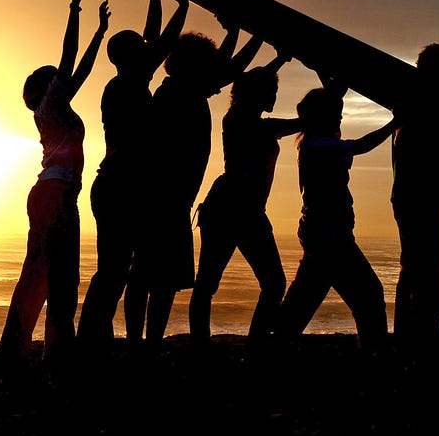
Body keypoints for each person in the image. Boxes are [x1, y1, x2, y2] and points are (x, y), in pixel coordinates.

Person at [125, 20, 261, 341]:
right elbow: (228, 70)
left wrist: (238, 32)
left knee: (156, 279)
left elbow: (223, 69)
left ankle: (144, 346)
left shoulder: (181, 90)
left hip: (169, 200)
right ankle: (140, 345)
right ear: (195, 67)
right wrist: (248, 32)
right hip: (162, 199)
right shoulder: (177, 94)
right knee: (151, 279)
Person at [0, 0, 110, 366]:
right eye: (56, 79)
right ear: (46, 87)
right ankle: (54, 354)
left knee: (41, 272)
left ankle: (17, 349)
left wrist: (99, 32)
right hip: (56, 194)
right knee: (61, 276)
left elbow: (79, 69)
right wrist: (75, 10)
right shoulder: (48, 106)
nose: (63, 81)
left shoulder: (53, 109)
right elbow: (69, 57)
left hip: (52, 192)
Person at [76, 0, 187, 341]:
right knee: (114, 271)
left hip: (115, 186)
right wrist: (181, 4)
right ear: (131, 57)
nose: (147, 49)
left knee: (115, 270)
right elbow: (162, 42)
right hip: (118, 188)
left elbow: (152, 38)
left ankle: (94, 341)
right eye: (140, 49)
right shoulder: (127, 84)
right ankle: (91, 342)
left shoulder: (127, 81)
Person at [188, 51, 302, 341]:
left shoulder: (248, 117)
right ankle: (207, 347)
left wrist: (280, 60)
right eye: (271, 92)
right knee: (210, 283)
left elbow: (255, 82)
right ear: (258, 94)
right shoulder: (240, 119)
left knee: (272, 282)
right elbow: (276, 119)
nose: (275, 97)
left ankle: (255, 343)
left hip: (246, 209)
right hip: (229, 208)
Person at [276, 80, 397, 351]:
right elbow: (363, 145)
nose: (341, 117)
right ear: (325, 116)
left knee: (303, 301)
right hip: (329, 235)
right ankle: (375, 356)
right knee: (369, 296)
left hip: (324, 233)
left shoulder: (312, 142)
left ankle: (270, 350)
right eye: (337, 113)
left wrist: (335, 89)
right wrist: (393, 124)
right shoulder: (320, 146)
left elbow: (330, 106)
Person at [390, 42, 439, 340]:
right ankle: (422, 332)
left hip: (415, 198)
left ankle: (412, 333)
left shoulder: (414, 102)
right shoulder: (423, 105)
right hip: (418, 199)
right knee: (427, 269)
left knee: (415, 268)